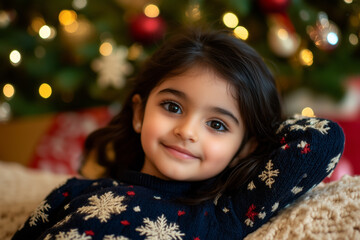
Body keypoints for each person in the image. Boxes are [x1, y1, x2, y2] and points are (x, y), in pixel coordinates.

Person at [12, 28, 344, 240]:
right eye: (172, 107)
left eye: (217, 125)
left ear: (244, 147)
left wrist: (258, 138)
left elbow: (322, 138)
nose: (186, 131)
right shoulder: (75, 191)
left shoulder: (224, 217)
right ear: (140, 113)